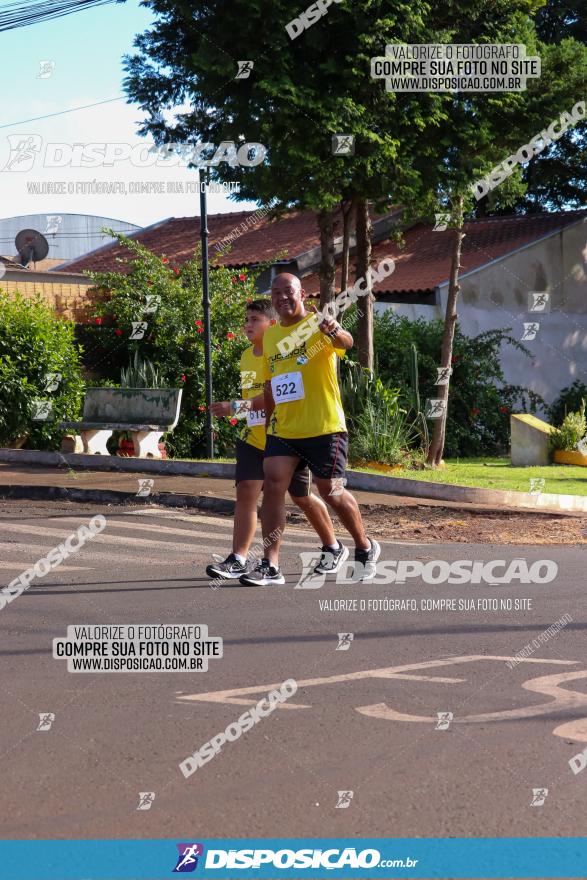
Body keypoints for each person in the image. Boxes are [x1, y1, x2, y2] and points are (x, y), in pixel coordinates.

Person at [239, 273, 380, 586]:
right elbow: (271, 383)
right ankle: (270, 564)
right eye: (275, 293)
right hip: (285, 429)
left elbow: (347, 342)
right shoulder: (273, 336)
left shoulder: (318, 323)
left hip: (323, 426)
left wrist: (335, 330)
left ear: (301, 293)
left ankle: (364, 546)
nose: (282, 298)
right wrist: (267, 423)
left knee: (330, 490)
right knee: (274, 485)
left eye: (287, 291)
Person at [206, 298, 346, 581]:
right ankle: (239, 559)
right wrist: (244, 411)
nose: (247, 324)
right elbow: (255, 396)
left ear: (272, 325)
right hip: (253, 436)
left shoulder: (289, 351)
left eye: (254, 320)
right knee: (246, 490)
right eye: (246, 320)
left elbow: (277, 395)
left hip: (285, 435)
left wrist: (235, 408)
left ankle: (333, 546)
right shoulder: (246, 356)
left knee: (302, 496)